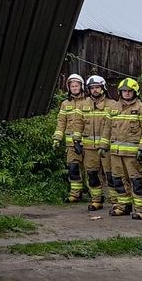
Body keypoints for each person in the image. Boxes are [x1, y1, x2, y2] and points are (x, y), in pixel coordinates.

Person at [107, 77, 142, 219]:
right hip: (115, 153)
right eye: (124, 91)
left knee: (136, 181)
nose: (126, 93)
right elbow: (106, 128)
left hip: (133, 155)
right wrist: (103, 146)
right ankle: (123, 206)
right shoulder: (114, 108)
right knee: (118, 180)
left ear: (135, 92)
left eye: (129, 91)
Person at [82, 74, 117, 211]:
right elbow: (78, 124)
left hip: (107, 148)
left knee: (111, 175)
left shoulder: (113, 105)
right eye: (92, 88)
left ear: (103, 88)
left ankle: (115, 201)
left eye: (97, 87)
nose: (95, 90)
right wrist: (77, 140)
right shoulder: (84, 105)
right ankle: (96, 199)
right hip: (89, 148)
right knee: (92, 174)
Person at [52, 74, 87, 203]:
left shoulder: (88, 102)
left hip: (88, 143)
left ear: (81, 86)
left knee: (91, 170)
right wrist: (57, 138)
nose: (74, 88)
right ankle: (75, 194)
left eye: (76, 85)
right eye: (72, 86)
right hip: (71, 144)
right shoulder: (65, 104)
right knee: (73, 168)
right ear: (69, 87)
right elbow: (61, 122)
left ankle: (96, 195)